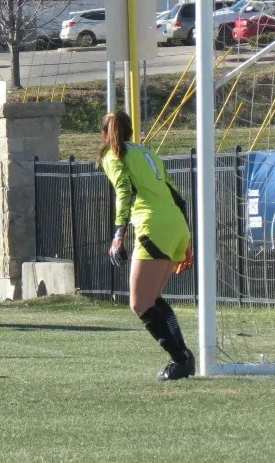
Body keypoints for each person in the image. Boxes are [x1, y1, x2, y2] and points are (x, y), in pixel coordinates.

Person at [99, 111, 196, 381]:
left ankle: (181, 359)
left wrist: (118, 234)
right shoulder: (148, 153)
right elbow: (176, 194)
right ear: (130, 132)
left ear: (105, 135)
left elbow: (123, 192)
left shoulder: (113, 155)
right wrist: (186, 237)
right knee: (151, 299)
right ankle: (183, 357)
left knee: (139, 303)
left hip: (152, 225)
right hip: (175, 224)